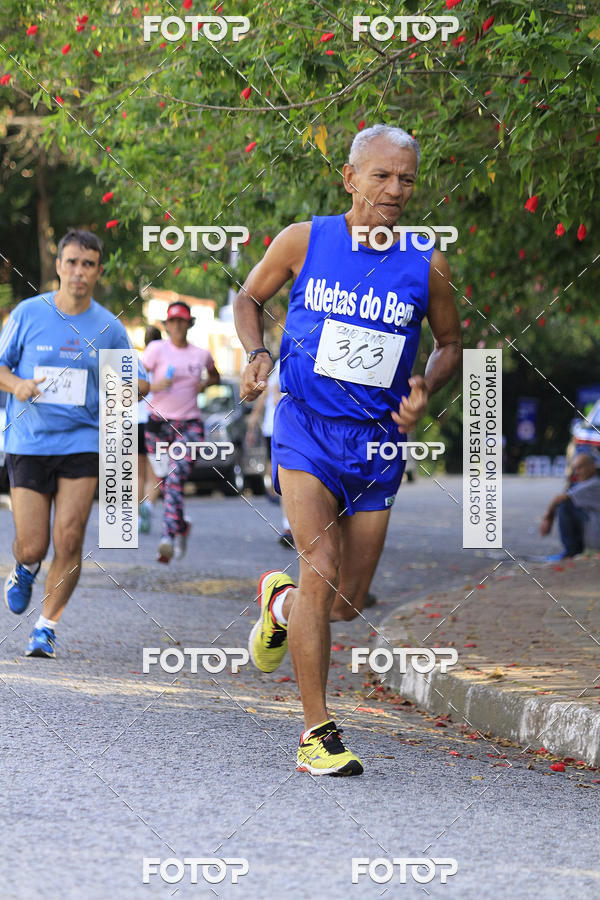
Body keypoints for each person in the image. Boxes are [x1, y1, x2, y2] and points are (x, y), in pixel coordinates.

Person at [234, 124, 461, 776]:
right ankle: (316, 734)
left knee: (344, 601)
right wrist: (256, 352)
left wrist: (425, 384)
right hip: (306, 426)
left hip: (379, 442)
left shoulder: (427, 262)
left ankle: (281, 605)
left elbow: (449, 343)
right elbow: (249, 297)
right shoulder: (305, 240)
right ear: (349, 177)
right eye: (382, 176)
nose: (395, 189)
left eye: (407, 179)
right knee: (322, 562)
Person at [0, 228, 149, 658]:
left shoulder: (108, 326)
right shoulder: (29, 313)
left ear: (99, 271)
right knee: (34, 544)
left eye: (88, 264)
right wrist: (21, 386)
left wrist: (136, 385)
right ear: (59, 266)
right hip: (29, 438)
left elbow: (131, 378)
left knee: (69, 539)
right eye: (71, 263)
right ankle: (25, 567)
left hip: (83, 440)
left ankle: (46, 627)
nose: (78, 272)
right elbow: (1, 367)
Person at [142, 301, 220, 563]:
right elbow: (137, 381)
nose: (177, 326)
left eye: (181, 321)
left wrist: (203, 384)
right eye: (172, 321)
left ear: (189, 324)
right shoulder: (155, 350)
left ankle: (168, 538)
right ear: (166, 325)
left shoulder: (200, 354)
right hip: (158, 424)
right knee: (166, 482)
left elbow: (215, 376)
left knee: (174, 478)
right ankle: (182, 526)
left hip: (190, 426)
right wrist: (156, 384)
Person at [246, 357, 294, 547]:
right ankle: (287, 527)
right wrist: (254, 421)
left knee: (286, 473)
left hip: (296, 429)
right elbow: (268, 394)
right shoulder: (282, 364)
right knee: (283, 473)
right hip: (277, 428)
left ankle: (290, 525)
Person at [540, 452, 600, 558]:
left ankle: (571, 551)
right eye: (575, 469)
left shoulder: (594, 483)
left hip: (595, 540)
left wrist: (547, 518)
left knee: (565, 506)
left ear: (592, 467)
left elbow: (558, 499)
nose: (576, 473)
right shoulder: (587, 483)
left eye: (580, 468)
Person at [138, 325, 163, 534]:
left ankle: (137, 516)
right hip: (156, 419)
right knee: (155, 472)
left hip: (135, 420)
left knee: (137, 473)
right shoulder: (165, 360)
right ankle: (148, 505)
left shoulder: (138, 362)